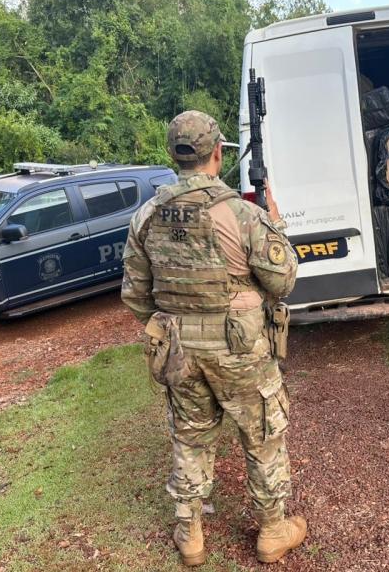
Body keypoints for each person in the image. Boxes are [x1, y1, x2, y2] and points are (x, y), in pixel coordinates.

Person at [121, 110, 305, 565]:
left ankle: (191, 535)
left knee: (190, 437)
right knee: (262, 434)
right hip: (240, 348)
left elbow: (136, 295)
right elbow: (283, 282)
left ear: (174, 155)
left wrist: (177, 320)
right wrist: (277, 227)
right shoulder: (242, 214)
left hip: (179, 350)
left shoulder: (146, 215)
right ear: (217, 154)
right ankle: (271, 531)